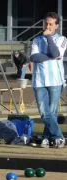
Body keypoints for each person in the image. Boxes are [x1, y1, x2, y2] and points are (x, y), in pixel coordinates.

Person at [30, 12, 67, 148]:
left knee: (52, 112)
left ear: (56, 26)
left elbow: (56, 53)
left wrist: (49, 38)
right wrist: (50, 56)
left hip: (55, 81)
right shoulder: (36, 40)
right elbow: (34, 58)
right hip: (39, 81)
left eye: (51, 24)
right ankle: (58, 136)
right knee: (45, 113)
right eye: (46, 23)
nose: (47, 26)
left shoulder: (62, 39)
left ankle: (47, 137)